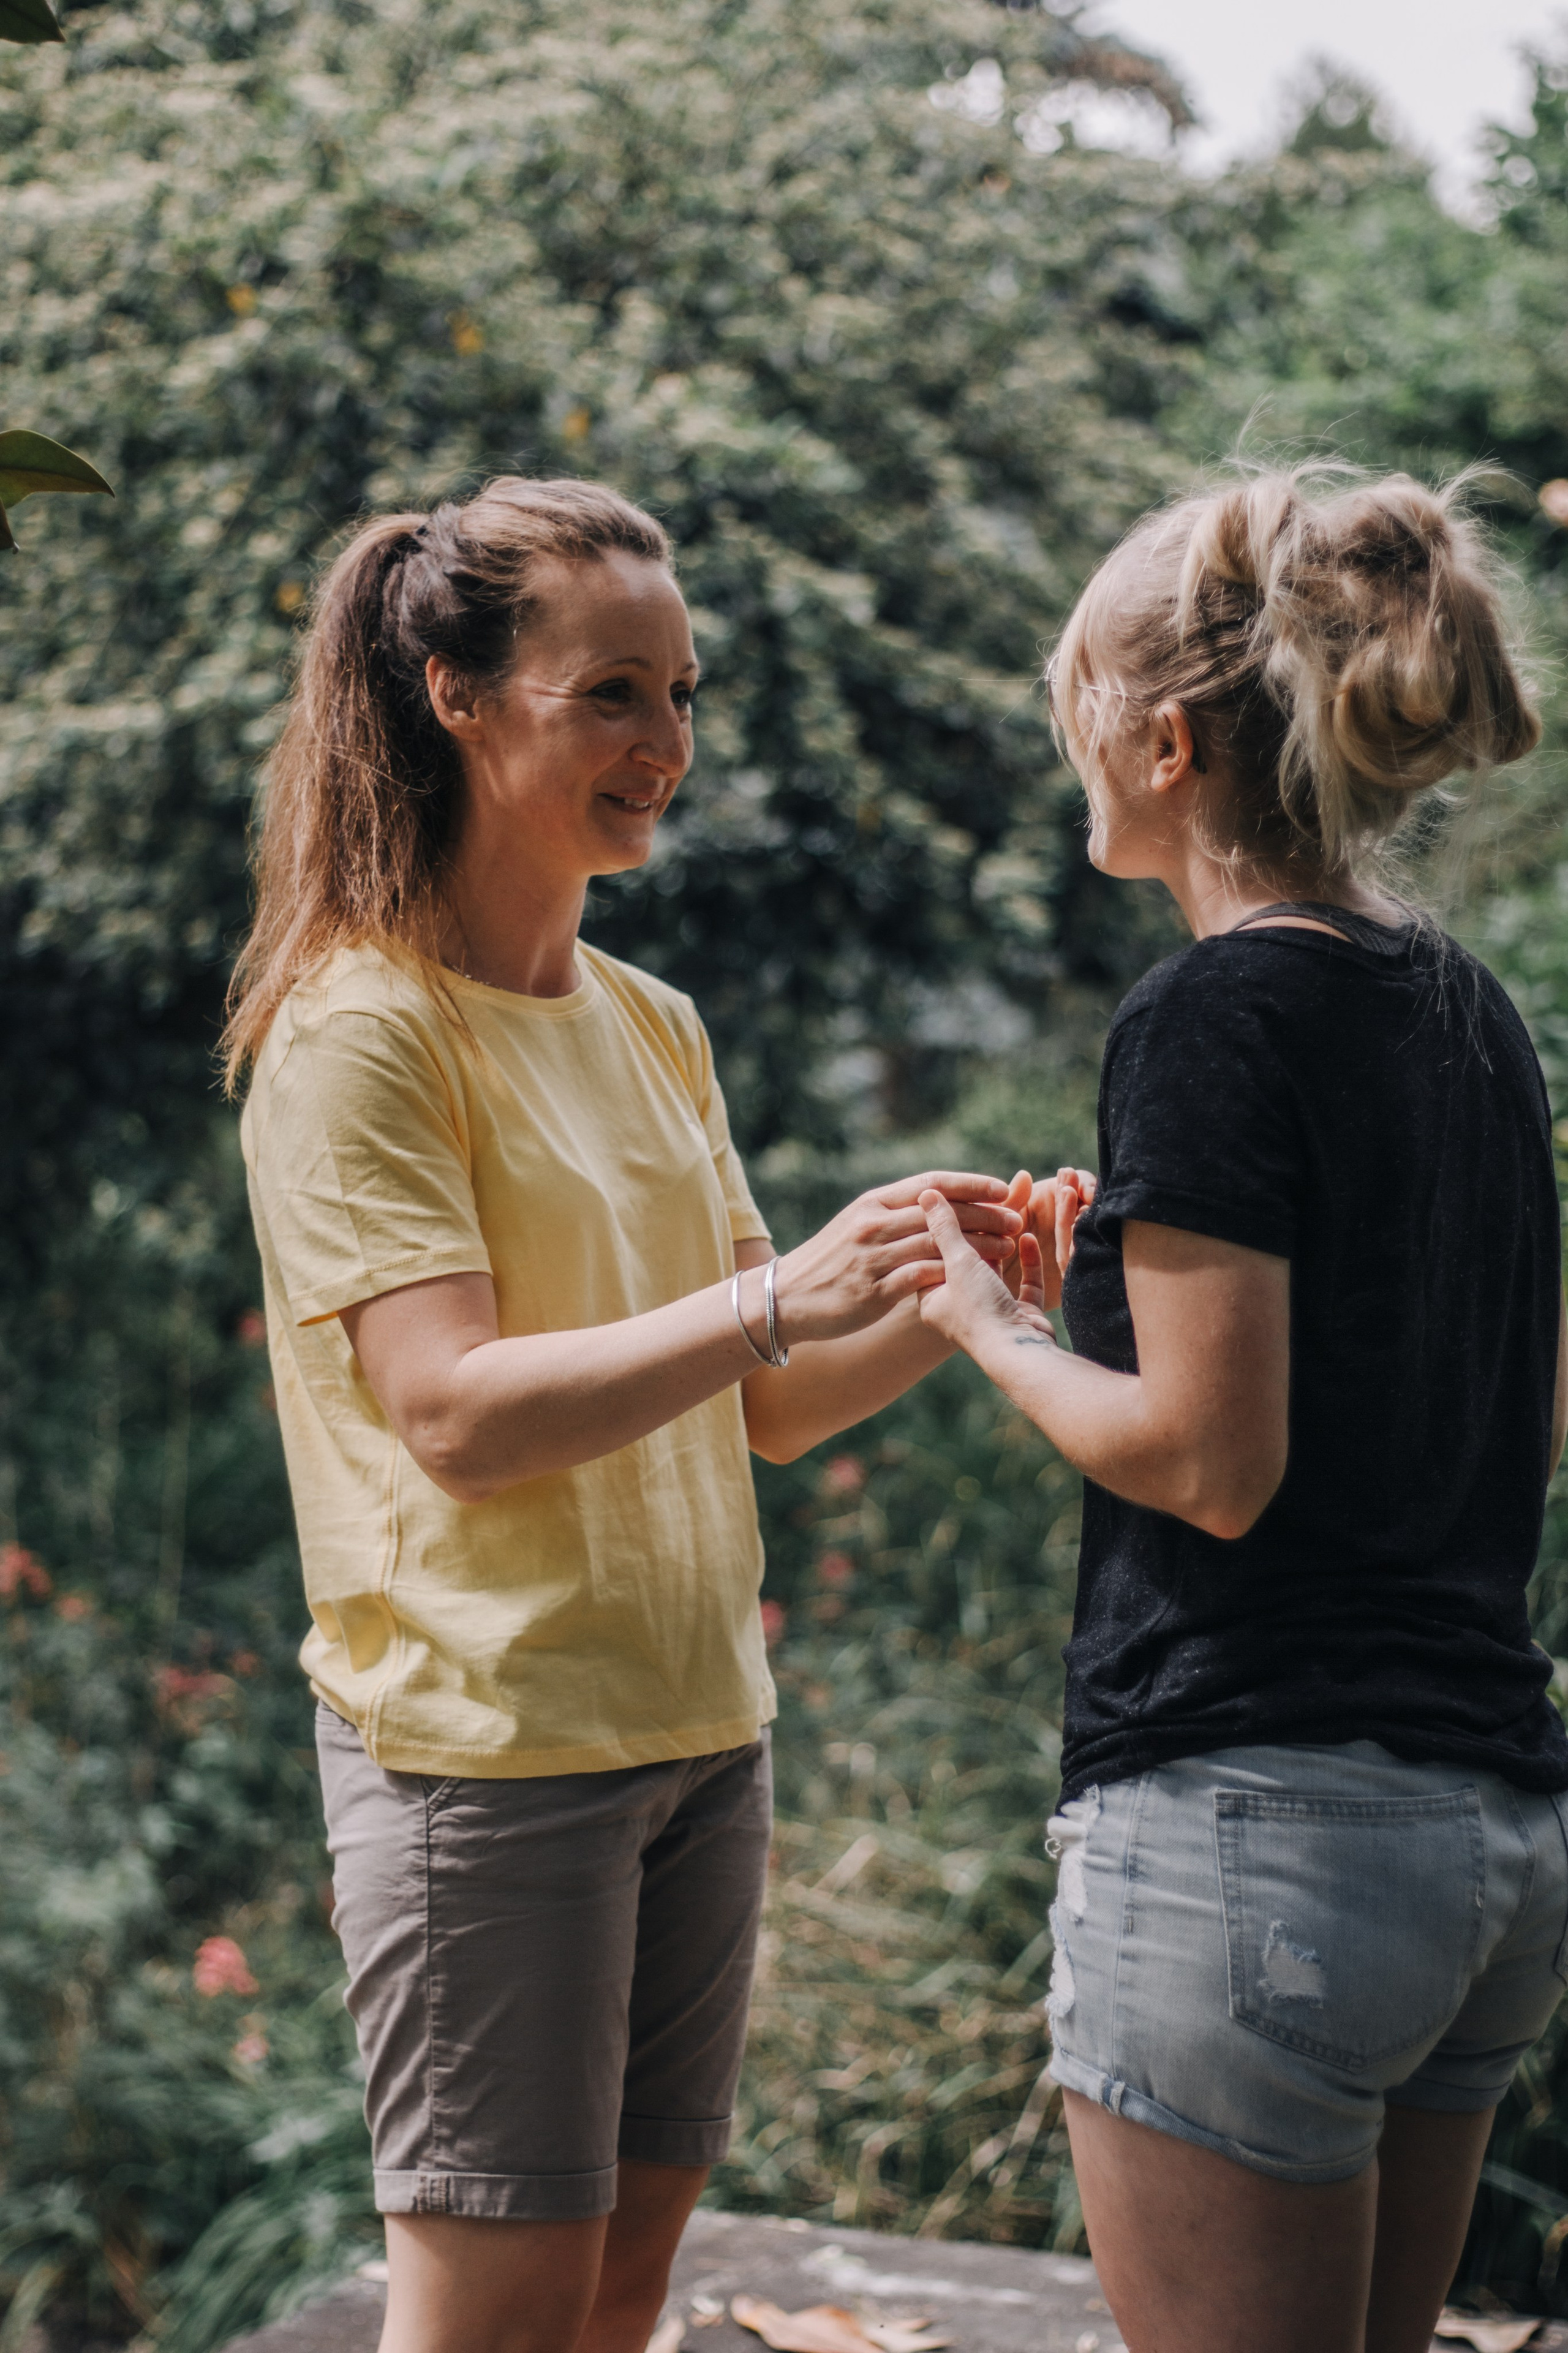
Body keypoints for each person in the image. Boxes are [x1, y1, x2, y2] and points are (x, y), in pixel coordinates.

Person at [222, 475, 1025, 2353]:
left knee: (621, 2305)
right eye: (610, 695)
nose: (665, 745)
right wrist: (768, 1289)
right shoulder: (358, 1031)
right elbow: (453, 1415)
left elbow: (775, 1406)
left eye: (682, 694)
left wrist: (947, 1287)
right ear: (456, 694)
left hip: (692, 1734)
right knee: (492, 2321)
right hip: (486, 1761)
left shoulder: (653, 1019)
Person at [914, 468, 1568, 2353]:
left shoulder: (1206, 1016)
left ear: (1169, 741)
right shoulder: (1472, 1011)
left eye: (1079, 711)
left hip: (1256, 1840)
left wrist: (986, 1322)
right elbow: (1507, 1432)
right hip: (1489, 1843)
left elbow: (1211, 1465)